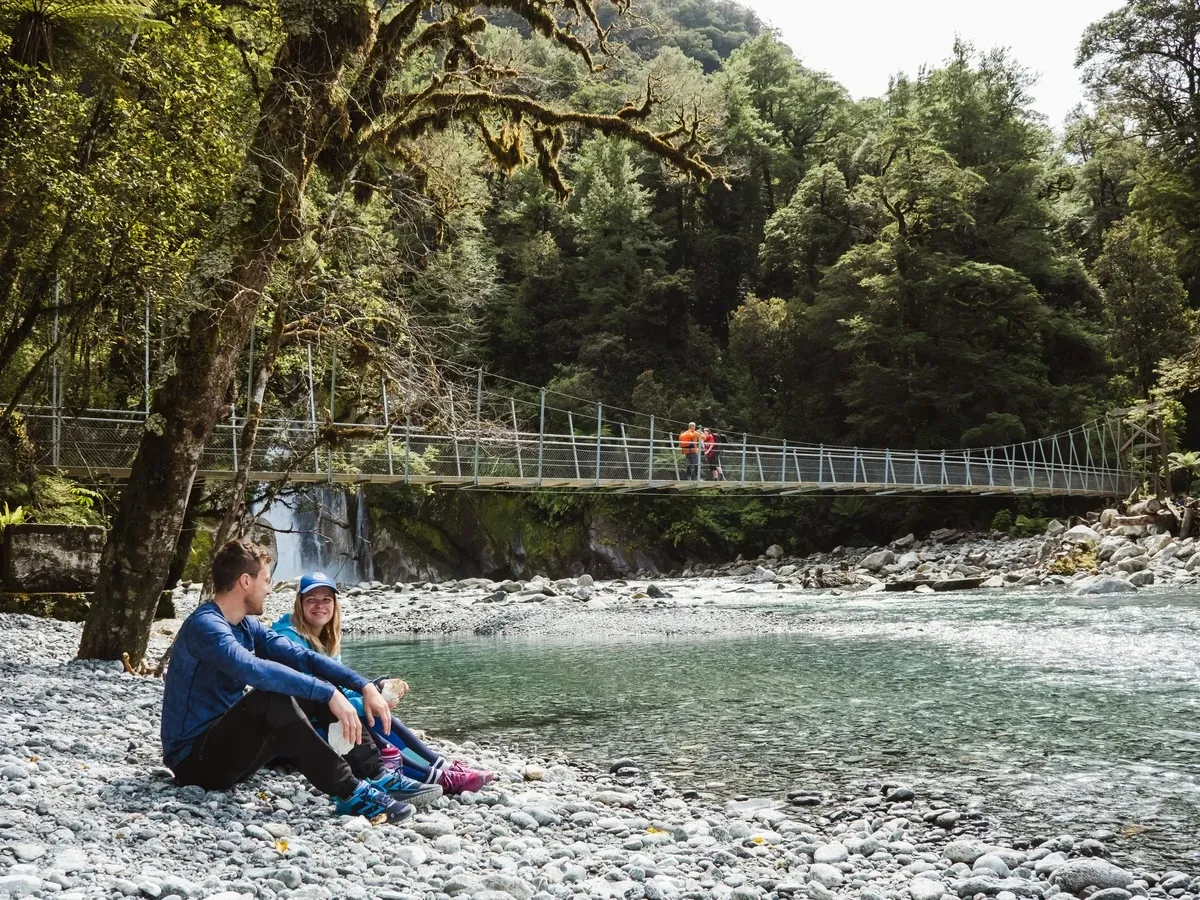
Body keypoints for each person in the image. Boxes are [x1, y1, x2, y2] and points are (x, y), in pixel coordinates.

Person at [161, 539, 438, 824]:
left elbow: (302, 657)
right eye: (266, 581)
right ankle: (349, 792)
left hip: (231, 753)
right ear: (245, 581)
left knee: (307, 684)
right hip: (194, 762)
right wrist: (328, 693)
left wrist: (363, 685)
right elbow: (252, 669)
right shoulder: (206, 627)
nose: (269, 589)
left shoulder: (246, 625)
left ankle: (377, 775)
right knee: (272, 697)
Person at [272, 572, 494, 795]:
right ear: (299, 604)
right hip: (293, 733)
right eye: (311, 599)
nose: (319, 605)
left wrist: (376, 690)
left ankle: (439, 766)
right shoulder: (288, 640)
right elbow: (318, 698)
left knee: (372, 712)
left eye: (326, 599)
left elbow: (340, 690)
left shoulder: (325, 639)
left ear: (335, 605)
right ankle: (433, 777)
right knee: (365, 716)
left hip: (318, 720)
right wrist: (371, 703)